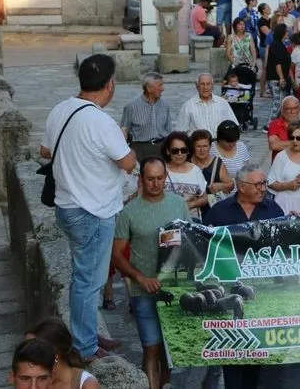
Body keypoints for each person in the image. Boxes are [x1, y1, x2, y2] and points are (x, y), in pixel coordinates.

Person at [40, 54, 135, 362]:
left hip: (67, 206)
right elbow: (128, 162)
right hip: (93, 211)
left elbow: (45, 149)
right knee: (88, 282)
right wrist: (122, 138)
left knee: (86, 278)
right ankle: (84, 346)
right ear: (109, 84)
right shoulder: (101, 121)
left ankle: (89, 335)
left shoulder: (60, 109)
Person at [204, 165, 288, 389]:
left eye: (264, 183)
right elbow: (203, 248)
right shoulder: (219, 212)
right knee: (231, 355)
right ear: (241, 187)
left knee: (256, 353)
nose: (264, 189)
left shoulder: (274, 210)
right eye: (258, 184)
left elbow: (286, 245)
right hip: (230, 290)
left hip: (262, 295)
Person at [111, 157, 190, 389]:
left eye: (160, 178)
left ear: (166, 177)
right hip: (142, 289)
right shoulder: (129, 212)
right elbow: (116, 254)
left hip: (173, 289)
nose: (156, 184)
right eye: (150, 179)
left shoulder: (178, 204)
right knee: (151, 346)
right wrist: (140, 278)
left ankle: (164, 383)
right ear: (141, 179)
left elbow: (189, 240)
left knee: (169, 347)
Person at [120, 72, 172, 161]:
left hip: (162, 147)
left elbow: (168, 129)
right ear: (149, 88)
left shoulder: (165, 104)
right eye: (160, 85)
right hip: (140, 149)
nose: (163, 89)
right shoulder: (131, 106)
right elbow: (124, 131)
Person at [161, 132, 207, 219]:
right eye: (175, 150)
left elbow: (204, 198)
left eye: (183, 150)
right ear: (167, 151)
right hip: (165, 220)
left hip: (191, 221)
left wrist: (190, 204)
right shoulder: (160, 169)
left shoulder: (195, 171)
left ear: (188, 151)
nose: (180, 154)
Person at [190, 129, 234, 216]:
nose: (202, 150)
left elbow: (231, 185)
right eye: (198, 146)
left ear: (210, 146)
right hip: (191, 210)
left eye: (205, 146)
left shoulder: (217, 164)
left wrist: (220, 185)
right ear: (193, 147)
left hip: (212, 210)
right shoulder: (187, 163)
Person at [211, 120, 252, 185]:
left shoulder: (241, 146)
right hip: (219, 191)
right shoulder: (211, 149)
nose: (232, 145)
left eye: (234, 141)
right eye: (228, 142)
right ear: (219, 138)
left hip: (239, 189)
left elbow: (247, 169)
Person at [265, 24, 293, 120]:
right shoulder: (277, 45)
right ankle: (270, 124)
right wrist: (281, 78)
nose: (288, 33)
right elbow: (278, 63)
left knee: (280, 102)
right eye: (286, 31)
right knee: (278, 102)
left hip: (277, 77)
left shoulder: (280, 44)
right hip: (275, 78)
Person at [267, 96, 300, 161]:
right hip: (280, 166)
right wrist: (299, 142)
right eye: (288, 109)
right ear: (282, 110)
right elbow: (274, 145)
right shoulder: (274, 124)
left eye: (295, 108)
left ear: (299, 109)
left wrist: (282, 144)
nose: (292, 111)